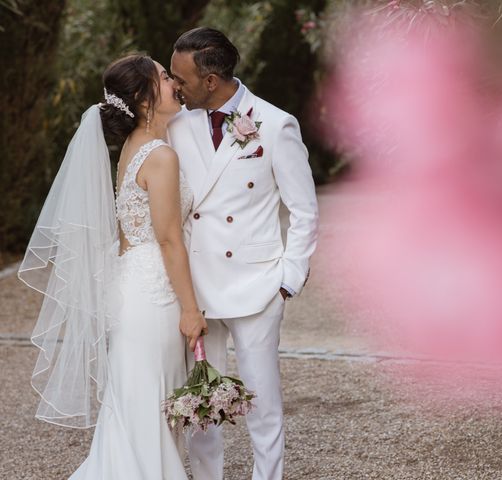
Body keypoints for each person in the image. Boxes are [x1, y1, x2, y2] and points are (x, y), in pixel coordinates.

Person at [19, 53, 208, 479]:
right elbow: (168, 239)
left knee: (138, 400)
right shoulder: (160, 156)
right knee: (148, 400)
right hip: (154, 292)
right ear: (144, 98)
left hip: (133, 285)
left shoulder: (133, 149)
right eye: (164, 77)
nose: (174, 81)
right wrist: (191, 308)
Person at [168, 27, 319, 480]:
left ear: (210, 80)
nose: (175, 86)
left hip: (257, 286)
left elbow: (304, 210)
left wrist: (287, 281)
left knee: (262, 401)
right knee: (201, 403)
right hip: (198, 287)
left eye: (182, 79)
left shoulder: (275, 124)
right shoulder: (177, 124)